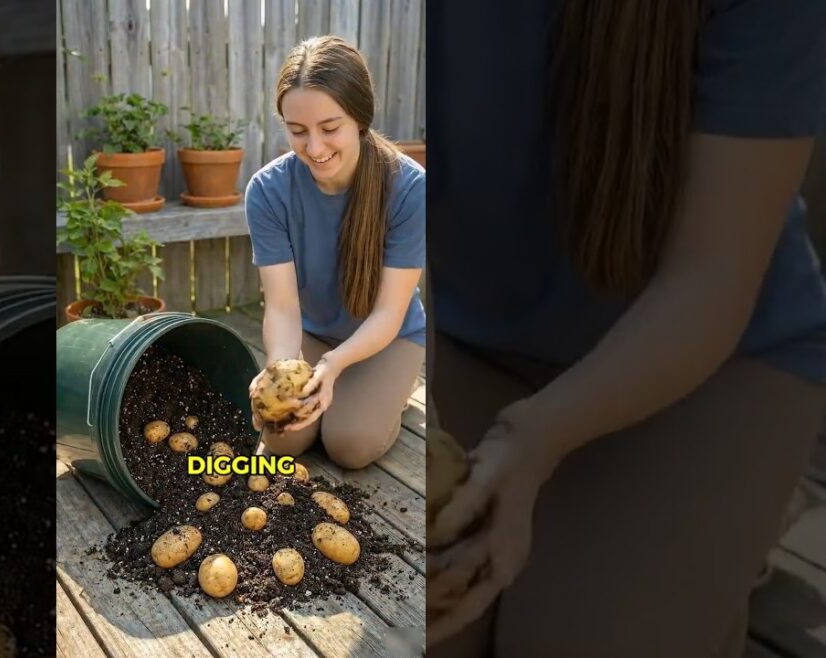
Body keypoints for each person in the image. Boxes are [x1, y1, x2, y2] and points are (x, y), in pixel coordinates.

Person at [428, 1, 826, 657]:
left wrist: (533, 437)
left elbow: (711, 277)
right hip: (469, 333)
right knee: (414, 610)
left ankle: (734, 514)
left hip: (707, 359)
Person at [244, 35, 426, 470]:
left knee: (350, 445)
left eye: (330, 128)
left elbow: (389, 313)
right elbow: (284, 308)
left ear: (359, 118)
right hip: (311, 332)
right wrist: (280, 372)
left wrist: (335, 363)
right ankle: (342, 392)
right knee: (283, 440)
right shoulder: (267, 191)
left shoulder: (410, 188)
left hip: (387, 338)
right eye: (297, 131)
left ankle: (390, 393)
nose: (315, 148)